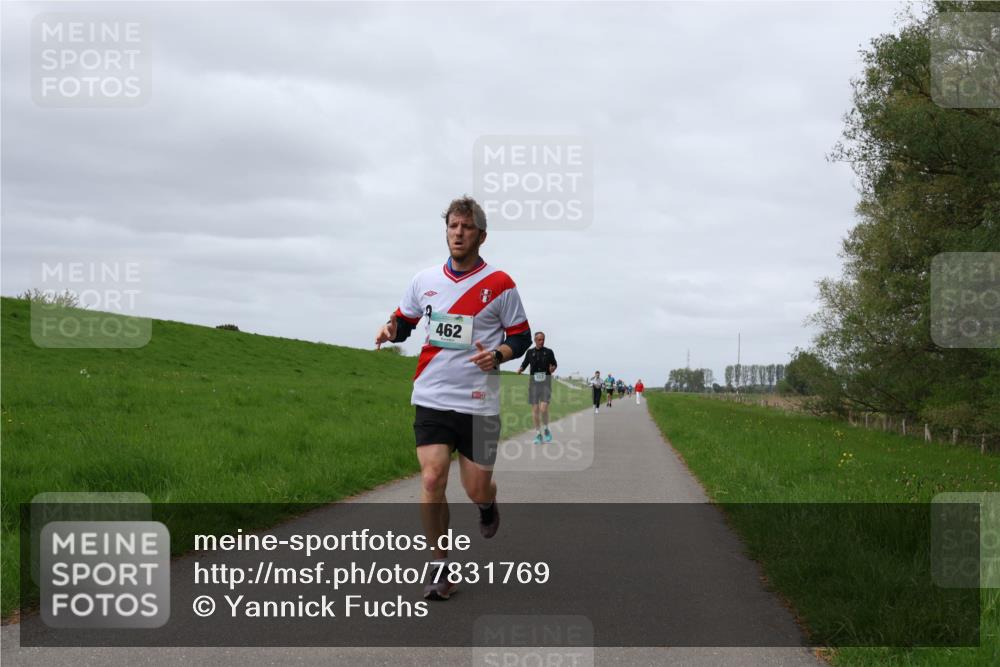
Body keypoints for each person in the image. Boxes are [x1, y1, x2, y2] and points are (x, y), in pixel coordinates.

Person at [375, 196, 531, 601]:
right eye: (452, 226)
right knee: (431, 478)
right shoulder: (424, 279)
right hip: (432, 393)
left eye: (466, 227)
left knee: (476, 488)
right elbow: (406, 321)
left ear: (481, 234)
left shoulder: (501, 285)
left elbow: (521, 338)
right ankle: (441, 567)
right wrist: (392, 330)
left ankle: (486, 505)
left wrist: (497, 355)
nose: (458, 233)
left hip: (479, 402)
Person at [517, 331, 558, 444]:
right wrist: (521, 369)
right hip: (534, 384)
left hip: (545, 384)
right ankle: (538, 434)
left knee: (543, 409)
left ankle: (546, 429)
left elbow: (554, 364)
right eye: (539, 339)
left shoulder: (549, 352)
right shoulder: (530, 352)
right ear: (535, 340)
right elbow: (525, 363)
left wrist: (553, 368)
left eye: (543, 339)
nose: (541, 341)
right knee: (535, 410)